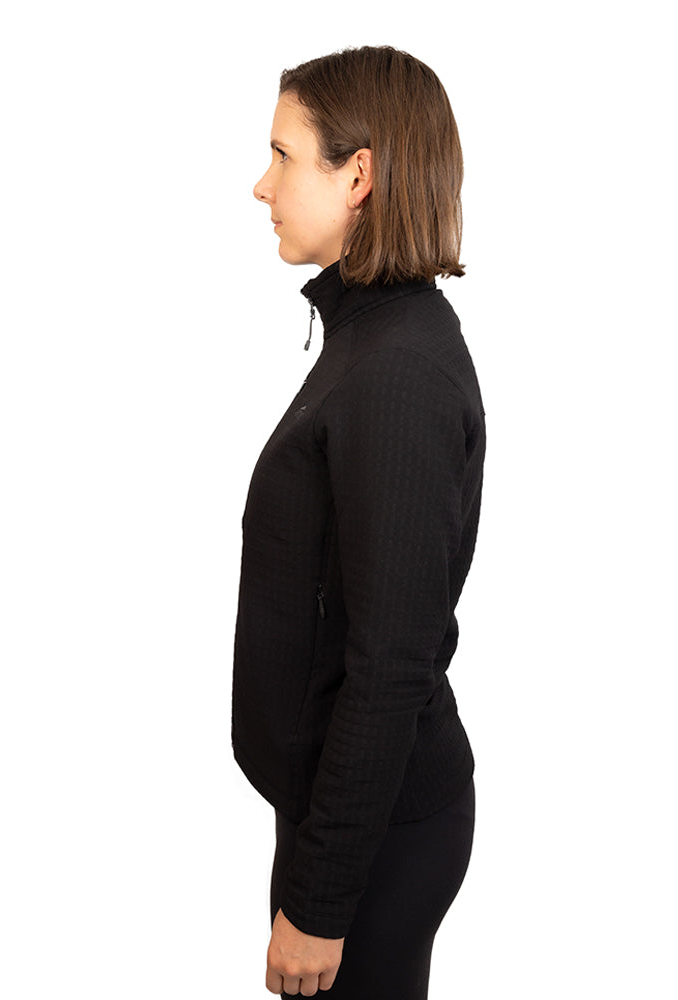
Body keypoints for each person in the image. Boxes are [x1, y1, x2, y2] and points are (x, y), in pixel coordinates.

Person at [232, 46, 485, 999]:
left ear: (359, 175)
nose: (262, 185)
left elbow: (390, 662)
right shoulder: (372, 339)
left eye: (283, 155)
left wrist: (321, 900)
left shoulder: (397, 373)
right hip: (345, 816)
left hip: (373, 839)